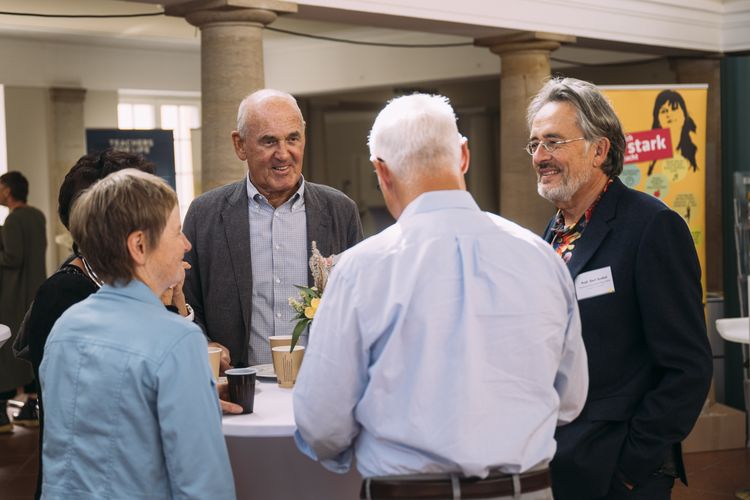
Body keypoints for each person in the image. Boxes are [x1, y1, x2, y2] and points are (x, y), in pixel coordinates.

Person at [294, 93, 588, 500]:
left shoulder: (362, 270)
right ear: (464, 156)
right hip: (527, 491)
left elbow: (322, 423)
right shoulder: (542, 259)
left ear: (382, 171)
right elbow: (570, 401)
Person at [526, 77, 712, 500]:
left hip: (619, 469)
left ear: (599, 149)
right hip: (559, 461)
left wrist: (631, 465)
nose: (540, 156)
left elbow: (688, 367)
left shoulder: (651, 227)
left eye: (553, 142)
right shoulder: (552, 235)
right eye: (534, 144)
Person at [39, 169, 235, 499]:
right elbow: (204, 485)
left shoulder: (65, 328)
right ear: (139, 245)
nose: (186, 244)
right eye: (177, 232)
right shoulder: (177, 341)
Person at [183, 89, 363, 367]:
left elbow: (361, 304)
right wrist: (203, 344)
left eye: (293, 138)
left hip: (321, 385)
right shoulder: (204, 215)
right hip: (240, 389)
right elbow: (185, 306)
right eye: (269, 141)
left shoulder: (340, 211)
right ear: (240, 145)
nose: (283, 154)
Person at [0, 171, 46, 433]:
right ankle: (30, 408)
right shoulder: (37, 216)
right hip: (34, 291)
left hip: (13, 296)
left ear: (8, 190)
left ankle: (2, 415)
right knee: (31, 350)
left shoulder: (14, 219)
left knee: (8, 354)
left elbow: (13, 258)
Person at [647, 89, 698, 176]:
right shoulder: (650, 153)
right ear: (658, 119)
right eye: (664, 111)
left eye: (674, 108)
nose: (669, 114)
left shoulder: (693, 150)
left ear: (684, 115)